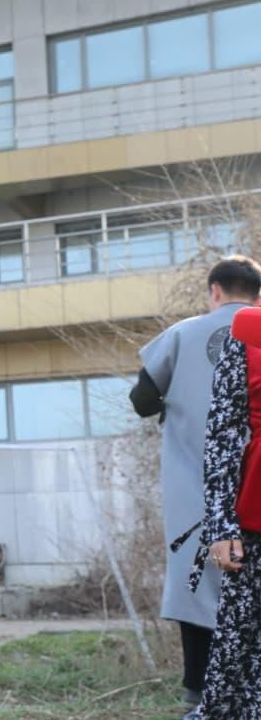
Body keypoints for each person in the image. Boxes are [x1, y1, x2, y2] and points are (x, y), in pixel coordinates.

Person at [131, 255, 261, 716]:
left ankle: (199, 692)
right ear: (257, 294)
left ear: (215, 292)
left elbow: (142, 399)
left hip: (195, 484)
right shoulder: (258, 332)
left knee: (195, 581)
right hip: (252, 487)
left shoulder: (184, 334)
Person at [187, 306, 261, 720]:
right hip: (253, 514)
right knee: (237, 639)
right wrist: (220, 523)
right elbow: (223, 432)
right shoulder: (248, 331)